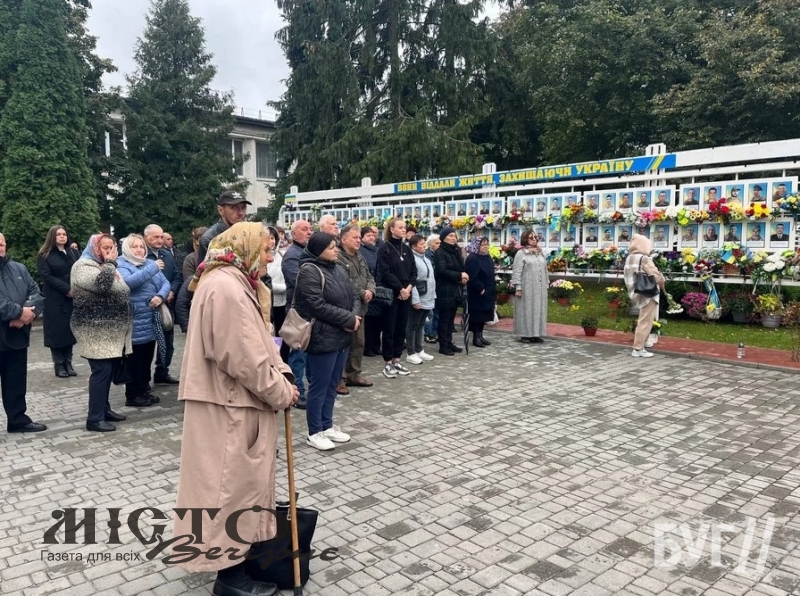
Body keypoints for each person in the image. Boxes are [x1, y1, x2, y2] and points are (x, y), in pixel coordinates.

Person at [172, 222, 297, 596]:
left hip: (233, 404)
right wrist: (281, 391)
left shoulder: (233, 281)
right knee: (228, 491)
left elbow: (260, 344)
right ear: (245, 248)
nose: (270, 258)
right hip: (230, 407)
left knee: (234, 488)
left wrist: (283, 373)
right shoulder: (226, 287)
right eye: (265, 250)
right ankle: (230, 577)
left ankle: (237, 563)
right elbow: (243, 358)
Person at [294, 232, 359, 451]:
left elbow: (354, 295)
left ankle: (327, 424)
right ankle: (314, 431)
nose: (336, 250)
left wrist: (354, 317)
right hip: (322, 336)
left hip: (342, 335)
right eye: (331, 247)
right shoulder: (309, 271)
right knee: (319, 385)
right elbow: (316, 305)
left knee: (332, 384)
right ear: (318, 250)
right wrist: (348, 319)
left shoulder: (337, 268)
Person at [71, 234, 131, 432]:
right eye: (105, 248)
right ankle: (94, 418)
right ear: (95, 248)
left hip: (111, 330)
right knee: (101, 371)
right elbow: (101, 286)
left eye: (112, 247)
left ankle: (104, 409)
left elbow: (123, 289)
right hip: (94, 330)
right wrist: (111, 264)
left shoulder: (105, 266)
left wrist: (109, 265)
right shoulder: (82, 266)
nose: (109, 251)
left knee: (108, 370)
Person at [0, 233, 47, 433]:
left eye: (1, 244)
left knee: (16, 381)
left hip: (16, 336)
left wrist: (28, 313)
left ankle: (18, 420)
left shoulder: (19, 268)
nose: (0, 248)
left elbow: (36, 292)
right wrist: (19, 312)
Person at [117, 234, 171, 408]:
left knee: (147, 358)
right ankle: (133, 395)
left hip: (151, 320)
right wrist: (152, 268)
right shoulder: (121, 264)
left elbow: (165, 283)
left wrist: (160, 296)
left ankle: (144, 390)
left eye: (142, 247)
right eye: (135, 247)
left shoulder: (149, 263)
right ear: (127, 248)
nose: (139, 250)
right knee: (135, 360)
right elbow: (128, 283)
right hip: (134, 321)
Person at [37, 225, 80, 378]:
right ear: (52, 237)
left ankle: (68, 362)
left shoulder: (73, 252)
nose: (62, 236)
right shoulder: (45, 255)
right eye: (58, 234)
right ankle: (59, 363)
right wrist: (66, 289)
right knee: (56, 332)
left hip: (71, 298)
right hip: (55, 298)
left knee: (69, 331)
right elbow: (47, 277)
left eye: (64, 234)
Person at [336, 224, 375, 391]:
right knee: (343, 344)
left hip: (361, 307)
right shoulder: (338, 257)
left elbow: (369, 276)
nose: (359, 240)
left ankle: (354, 374)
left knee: (358, 343)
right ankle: (339, 379)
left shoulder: (359, 256)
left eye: (359, 237)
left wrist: (371, 290)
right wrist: (362, 292)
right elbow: (345, 280)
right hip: (346, 307)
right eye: (355, 237)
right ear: (344, 239)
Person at [376, 218, 417, 377]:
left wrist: (408, 288)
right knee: (390, 328)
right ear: (391, 229)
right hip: (392, 293)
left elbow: (413, 271)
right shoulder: (384, 248)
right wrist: (400, 289)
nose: (403, 229)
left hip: (406, 292)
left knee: (401, 327)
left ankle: (397, 359)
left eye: (404, 227)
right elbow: (385, 272)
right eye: (400, 227)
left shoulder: (406, 249)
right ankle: (388, 362)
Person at [144, 224, 183, 385]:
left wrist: (172, 290)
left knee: (168, 343)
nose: (160, 240)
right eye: (156, 237)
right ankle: (143, 380)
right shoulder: (141, 254)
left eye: (161, 237)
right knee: (146, 345)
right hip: (148, 306)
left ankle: (162, 372)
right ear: (146, 237)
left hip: (167, 305)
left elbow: (177, 276)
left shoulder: (166, 254)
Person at [282, 219, 314, 409]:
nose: (309, 232)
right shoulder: (292, 256)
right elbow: (300, 282)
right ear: (293, 234)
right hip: (298, 311)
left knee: (308, 354)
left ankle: (310, 389)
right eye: (304, 229)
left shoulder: (307, 252)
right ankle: (297, 391)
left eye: (310, 229)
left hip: (310, 310)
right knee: (298, 353)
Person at [624, 234, 665, 358]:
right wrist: (663, 282)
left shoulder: (629, 258)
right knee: (646, 320)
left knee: (644, 319)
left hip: (636, 291)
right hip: (648, 293)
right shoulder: (644, 259)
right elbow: (656, 275)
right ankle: (638, 348)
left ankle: (644, 341)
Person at [433, 227, 467, 356]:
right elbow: (442, 271)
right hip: (444, 289)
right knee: (445, 318)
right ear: (443, 238)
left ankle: (449, 341)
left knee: (451, 319)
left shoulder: (455, 251)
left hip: (455, 289)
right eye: (450, 236)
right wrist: (459, 275)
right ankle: (443, 345)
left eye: (454, 236)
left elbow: (460, 268)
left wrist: (463, 276)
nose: (454, 238)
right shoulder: (440, 252)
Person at [511, 230, 548, 343]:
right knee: (526, 309)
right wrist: (518, 287)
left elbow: (545, 269)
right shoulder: (521, 253)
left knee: (538, 309)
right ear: (525, 239)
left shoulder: (540, 252)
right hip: (526, 287)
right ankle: (525, 334)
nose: (534, 239)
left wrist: (546, 283)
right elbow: (517, 272)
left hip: (540, 287)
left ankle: (536, 334)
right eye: (531, 238)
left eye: (536, 237)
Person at [405, 235, 436, 365]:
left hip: (428, 296)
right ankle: (410, 352)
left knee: (421, 324)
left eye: (424, 243)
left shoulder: (426, 259)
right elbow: (413, 281)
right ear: (413, 246)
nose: (424, 246)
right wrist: (415, 300)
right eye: (421, 244)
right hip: (418, 297)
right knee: (412, 325)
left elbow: (431, 279)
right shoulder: (411, 259)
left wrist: (433, 295)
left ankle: (419, 349)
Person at [198, 190, 251, 262]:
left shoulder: (249, 234)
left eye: (243, 207)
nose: (241, 213)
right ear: (221, 210)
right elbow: (205, 268)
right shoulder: (210, 239)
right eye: (234, 208)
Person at [464, 237, 496, 348]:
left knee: (484, 315)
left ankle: (480, 335)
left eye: (487, 244)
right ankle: (476, 337)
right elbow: (472, 275)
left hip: (488, 291)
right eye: (483, 245)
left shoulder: (487, 257)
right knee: (477, 315)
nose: (485, 247)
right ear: (477, 245)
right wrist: (480, 288)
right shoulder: (473, 258)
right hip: (477, 292)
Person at [266, 227, 289, 363]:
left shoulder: (281, 255)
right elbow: (265, 283)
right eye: (269, 238)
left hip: (282, 302)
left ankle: (283, 361)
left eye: (273, 238)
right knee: (269, 333)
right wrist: (285, 288)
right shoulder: (261, 257)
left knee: (283, 333)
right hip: (268, 302)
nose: (272, 241)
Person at [360, 226, 382, 357]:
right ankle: (368, 347)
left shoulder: (377, 250)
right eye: (368, 235)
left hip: (378, 287)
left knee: (378, 321)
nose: (371, 237)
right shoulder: (361, 251)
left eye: (372, 235)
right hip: (368, 288)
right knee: (369, 321)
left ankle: (376, 345)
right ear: (362, 237)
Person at [424, 235, 441, 343]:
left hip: (437, 286)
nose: (439, 245)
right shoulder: (427, 255)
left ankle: (434, 332)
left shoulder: (439, 254)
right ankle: (428, 333)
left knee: (437, 312)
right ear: (430, 245)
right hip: (429, 287)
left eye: (440, 243)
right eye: (436, 243)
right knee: (430, 313)